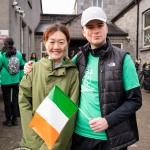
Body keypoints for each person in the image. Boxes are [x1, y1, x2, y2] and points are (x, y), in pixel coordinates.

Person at [24, 7, 142, 150]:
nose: (95, 31)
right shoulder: (79, 58)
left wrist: (108, 121)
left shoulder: (123, 59)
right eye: (90, 27)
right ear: (83, 32)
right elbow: (58, 67)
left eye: (100, 26)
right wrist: (32, 67)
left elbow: (135, 101)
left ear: (106, 28)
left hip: (110, 138)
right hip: (79, 136)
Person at [19, 22, 79, 150]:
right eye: (51, 42)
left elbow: (69, 116)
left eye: (61, 42)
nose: (56, 47)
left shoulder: (73, 73)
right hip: (32, 142)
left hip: (59, 145)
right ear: (45, 42)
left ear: (67, 43)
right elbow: (24, 103)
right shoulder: (33, 69)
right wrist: (34, 140)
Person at [0, 38, 24, 127]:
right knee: (14, 99)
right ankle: (15, 120)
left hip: (5, 81)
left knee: (6, 100)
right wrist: (21, 78)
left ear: (5, 44)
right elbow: (21, 67)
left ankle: (8, 120)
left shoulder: (2, 54)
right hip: (15, 80)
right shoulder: (18, 53)